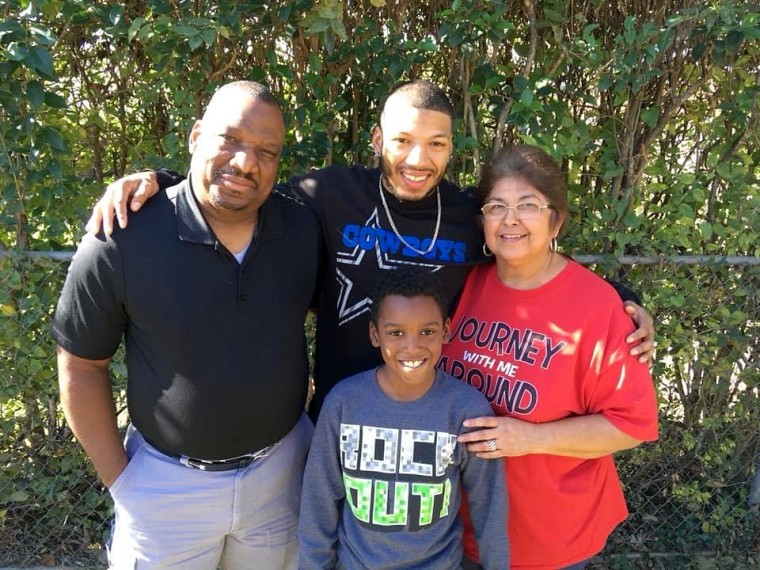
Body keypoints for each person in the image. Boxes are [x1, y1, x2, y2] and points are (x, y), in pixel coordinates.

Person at [85, 80, 656, 420]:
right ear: (379, 139)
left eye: (435, 144)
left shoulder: (466, 214)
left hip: (435, 418)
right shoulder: (330, 192)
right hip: (338, 413)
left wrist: (622, 299)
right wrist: (162, 180)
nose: (417, 159)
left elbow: (534, 255)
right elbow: (238, 192)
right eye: (403, 141)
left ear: (451, 149)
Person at [51, 81, 321, 569]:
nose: (245, 162)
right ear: (197, 136)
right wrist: (125, 484)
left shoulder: (301, 229)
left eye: (266, 151)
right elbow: (80, 365)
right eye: (230, 139)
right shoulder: (122, 238)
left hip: (281, 479)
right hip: (164, 490)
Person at [439, 144, 660, 570]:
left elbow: (630, 426)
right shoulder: (464, 285)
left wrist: (530, 438)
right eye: (496, 206)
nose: (511, 219)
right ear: (482, 219)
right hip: (458, 529)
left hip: (548, 539)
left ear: (555, 218)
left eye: (528, 205)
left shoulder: (598, 307)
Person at [299, 268, 509, 569]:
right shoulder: (343, 404)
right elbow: (318, 504)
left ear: (446, 330)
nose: (412, 347)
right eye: (396, 333)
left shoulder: (466, 410)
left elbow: (489, 509)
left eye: (427, 331)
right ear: (375, 334)